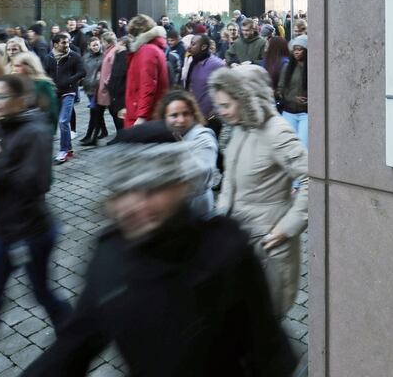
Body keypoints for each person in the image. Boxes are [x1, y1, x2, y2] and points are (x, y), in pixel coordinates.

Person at [22, 142, 298, 377]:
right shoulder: (109, 256)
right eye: (123, 191)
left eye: (152, 190)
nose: (136, 205)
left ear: (180, 186)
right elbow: (76, 344)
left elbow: (266, 342)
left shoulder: (225, 247)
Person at [0, 75, 72, 377]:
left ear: (20, 100)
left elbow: (37, 184)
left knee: (40, 293)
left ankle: (75, 336)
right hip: (5, 232)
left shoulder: (35, 132)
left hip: (31, 234)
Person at [209, 65, 308, 317]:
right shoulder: (241, 127)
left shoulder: (277, 132)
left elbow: (314, 181)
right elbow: (230, 182)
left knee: (264, 323)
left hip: (268, 247)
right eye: (219, 105)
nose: (221, 112)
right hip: (238, 243)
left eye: (227, 105)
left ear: (247, 98)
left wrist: (287, 227)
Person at [157, 90, 219, 217]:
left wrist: (181, 147)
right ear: (165, 118)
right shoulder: (164, 135)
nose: (181, 120)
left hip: (197, 208)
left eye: (186, 114)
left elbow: (203, 177)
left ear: (193, 114)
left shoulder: (203, 137)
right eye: (174, 115)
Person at [123, 15, 169, 128]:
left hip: (144, 117)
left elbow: (148, 86)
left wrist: (141, 117)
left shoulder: (147, 50)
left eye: (132, 34)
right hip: (143, 112)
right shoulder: (151, 49)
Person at [46, 33, 86, 164]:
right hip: (55, 93)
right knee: (60, 121)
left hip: (69, 92)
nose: (66, 44)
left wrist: (69, 80)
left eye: (67, 42)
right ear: (56, 44)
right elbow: (45, 73)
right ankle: (68, 148)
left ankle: (63, 151)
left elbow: (82, 72)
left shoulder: (74, 56)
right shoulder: (49, 57)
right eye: (63, 42)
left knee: (63, 121)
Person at [182, 34, 225, 126]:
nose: (189, 47)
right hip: (194, 114)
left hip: (209, 119)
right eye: (190, 43)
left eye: (193, 44)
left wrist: (214, 113)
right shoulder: (192, 61)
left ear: (204, 47)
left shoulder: (217, 64)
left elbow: (225, 89)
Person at [11, 52, 59, 130]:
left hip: (39, 131)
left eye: (18, 66)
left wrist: (49, 133)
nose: (14, 69)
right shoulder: (16, 84)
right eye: (14, 66)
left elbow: (51, 112)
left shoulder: (42, 84)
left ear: (29, 66)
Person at [278, 35, 308, 148]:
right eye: (294, 49)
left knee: (303, 146)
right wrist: (292, 98)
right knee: (288, 146)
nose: (296, 52)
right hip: (289, 111)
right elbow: (280, 90)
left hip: (306, 113)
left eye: (299, 49)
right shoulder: (287, 68)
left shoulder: (314, 68)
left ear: (306, 51)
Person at [79, 37, 105, 146]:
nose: (96, 47)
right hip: (88, 88)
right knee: (97, 112)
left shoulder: (103, 57)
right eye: (93, 45)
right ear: (89, 46)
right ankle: (103, 131)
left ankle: (91, 136)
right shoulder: (85, 57)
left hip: (98, 88)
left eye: (97, 44)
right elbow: (83, 70)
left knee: (94, 111)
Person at [94, 32, 118, 142]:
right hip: (104, 88)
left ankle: (119, 135)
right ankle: (102, 132)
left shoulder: (112, 52)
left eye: (102, 41)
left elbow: (113, 70)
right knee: (99, 111)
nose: (101, 43)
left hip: (107, 89)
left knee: (114, 113)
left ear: (107, 42)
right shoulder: (108, 51)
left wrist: (106, 82)